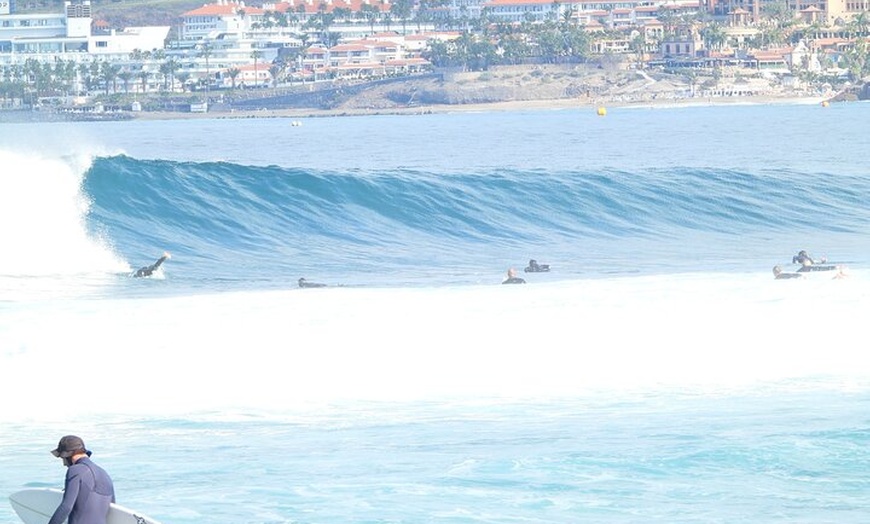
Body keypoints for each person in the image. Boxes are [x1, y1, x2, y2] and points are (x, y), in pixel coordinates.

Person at [48, 435, 115, 524]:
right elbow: (114, 509)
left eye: (63, 458)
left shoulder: (76, 470)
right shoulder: (105, 474)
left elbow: (66, 507)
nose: (64, 464)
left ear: (68, 455)